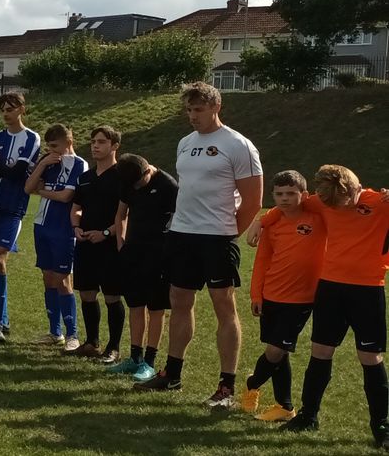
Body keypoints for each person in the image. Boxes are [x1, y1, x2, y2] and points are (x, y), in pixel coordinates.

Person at [134, 83, 263, 411]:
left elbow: (252, 202)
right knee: (179, 301)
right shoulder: (185, 143)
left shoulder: (238, 145)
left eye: (199, 109)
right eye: (189, 110)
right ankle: (171, 373)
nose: (193, 116)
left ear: (215, 107)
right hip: (181, 234)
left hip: (216, 238)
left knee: (224, 306)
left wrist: (226, 234)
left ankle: (226, 386)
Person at [248, 166, 389, 445]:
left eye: (342, 202)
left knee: (370, 358)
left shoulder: (379, 202)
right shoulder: (323, 199)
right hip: (330, 289)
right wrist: (260, 222)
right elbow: (288, 205)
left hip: (368, 291)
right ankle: (308, 416)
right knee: (320, 352)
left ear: (355, 189)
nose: (336, 207)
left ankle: (381, 426)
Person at [235, 171, 325, 423]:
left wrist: (260, 219)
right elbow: (262, 262)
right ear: (272, 195)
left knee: (275, 350)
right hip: (271, 295)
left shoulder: (318, 216)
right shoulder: (273, 224)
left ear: (304, 195)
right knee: (280, 352)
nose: (284, 199)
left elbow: (329, 198)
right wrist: (256, 295)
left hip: (302, 299)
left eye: (291, 194)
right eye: (279, 194)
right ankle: (284, 407)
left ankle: (252, 383)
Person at [107, 153, 178, 382]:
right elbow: (121, 213)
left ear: (148, 171)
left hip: (160, 255)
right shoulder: (127, 180)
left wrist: (170, 252)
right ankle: (134, 357)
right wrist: (121, 243)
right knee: (135, 305)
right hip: (133, 253)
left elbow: (178, 220)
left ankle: (149, 361)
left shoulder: (168, 186)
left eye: (138, 183)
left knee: (156, 309)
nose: (135, 188)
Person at [0, 93, 41, 343]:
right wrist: (4, 169)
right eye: (2, 109)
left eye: (10, 108)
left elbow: (17, 174)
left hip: (13, 207)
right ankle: (1, 321)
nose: (6, 113)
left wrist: (0, 167)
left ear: (22, 109)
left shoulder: (31, 137)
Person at [25, 124, 86, 351]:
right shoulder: (49, 163)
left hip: (63, 229)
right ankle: (55, 332)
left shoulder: (79, 164)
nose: (51, 150)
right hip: (42, 226)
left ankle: (72, 335)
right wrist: (41, 165)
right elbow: (27, 187)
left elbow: (65, 196)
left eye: (55, 146)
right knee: (48, 278)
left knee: (63, 280)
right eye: (48, 146)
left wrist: (41, 191)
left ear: (68, 142)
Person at [70, 126, 127, 361]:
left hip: (110, 245)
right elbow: (76, 209)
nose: (95, 146)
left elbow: (128, 214)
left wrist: (106, 232)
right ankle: (91, 342)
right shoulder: (85, 178)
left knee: (112, 296)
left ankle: (113, 347)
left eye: (102, 142)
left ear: (115, 146)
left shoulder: (123, 176)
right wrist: (76, 227)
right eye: (93, 141)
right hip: (85, 244)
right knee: (86, 294)